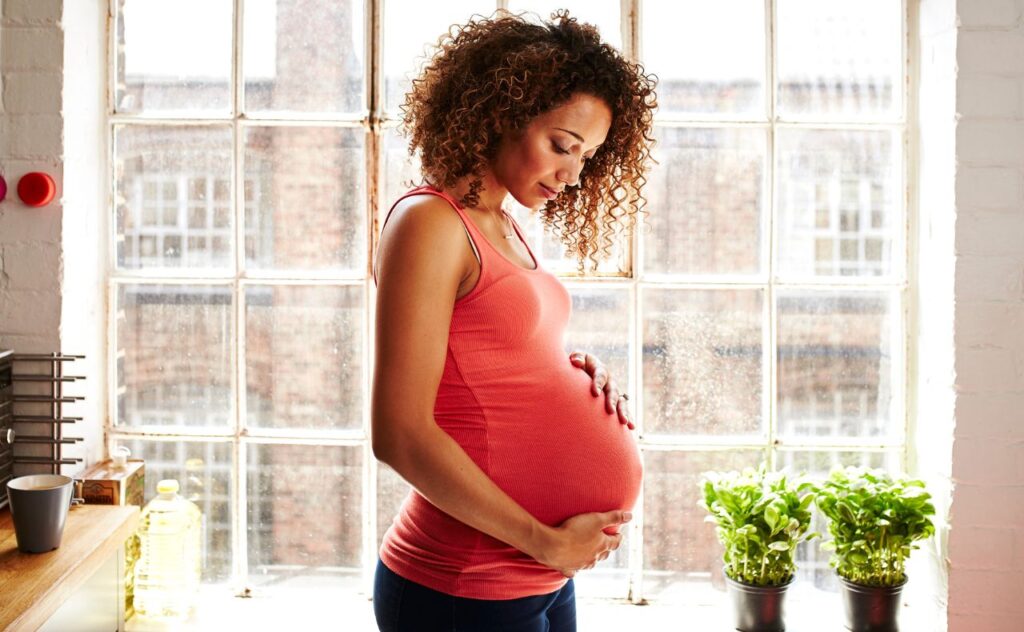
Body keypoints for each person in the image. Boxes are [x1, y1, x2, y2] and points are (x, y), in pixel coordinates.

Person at [371, 10, 657, 632]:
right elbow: (398, 433)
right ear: (500, 112)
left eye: (588, 156)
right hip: (463, 584)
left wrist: (571, 373)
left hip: (536, 576)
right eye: (562, 145)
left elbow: (486, 360)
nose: (574, 175)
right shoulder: (430, 223)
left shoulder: (502, 224)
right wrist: (544, 540)